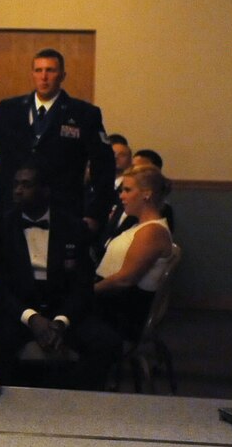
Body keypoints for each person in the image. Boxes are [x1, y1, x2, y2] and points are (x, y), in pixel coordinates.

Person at [0, 49, 110, 224]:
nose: (44, 77)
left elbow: (104, 166)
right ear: (32, 74)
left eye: (50, 70)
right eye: (38, 70)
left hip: (63, 212)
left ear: (62, 75)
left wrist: (94, 214)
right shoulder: (11, 109)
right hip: (12, 213)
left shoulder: (83, 113)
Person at [66, 163, 175, 389]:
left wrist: (85, 293)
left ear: (146, 194)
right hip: (111, 304)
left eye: (127, 190)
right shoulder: (139, 226)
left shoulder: (152, 231)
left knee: (62, 317)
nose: (122, 196)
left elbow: (125, 279)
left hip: (120, 313)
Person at [0, 162, 92, 380]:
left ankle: (81, 398)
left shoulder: (72, 226)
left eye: (26, 185)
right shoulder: (1, 227)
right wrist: (31, 317)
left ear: (45, 190)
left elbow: (83, 283)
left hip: (60, 303)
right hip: (19, 308)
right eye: (16, 185)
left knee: (103, 341)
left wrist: (61, 321)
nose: (18, 190)